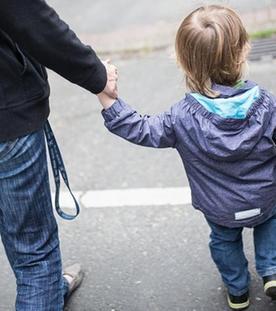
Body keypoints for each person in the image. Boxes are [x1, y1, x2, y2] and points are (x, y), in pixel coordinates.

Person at [97, 5, 276, 311]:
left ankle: (238, 291)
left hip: (219, 207)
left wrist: (105, 95)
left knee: (224, 242)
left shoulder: (181, 117)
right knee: (270, 225)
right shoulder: (267, 104)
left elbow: (141, 129)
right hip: (266, 197)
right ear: (244, 51)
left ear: (182, 61)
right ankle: (271, 270)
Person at [0, 0, 117, 310]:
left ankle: (49, 290)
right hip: (6, 119)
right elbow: (31, 20)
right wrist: (97, 75)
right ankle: (44, 291)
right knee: (34, 258)